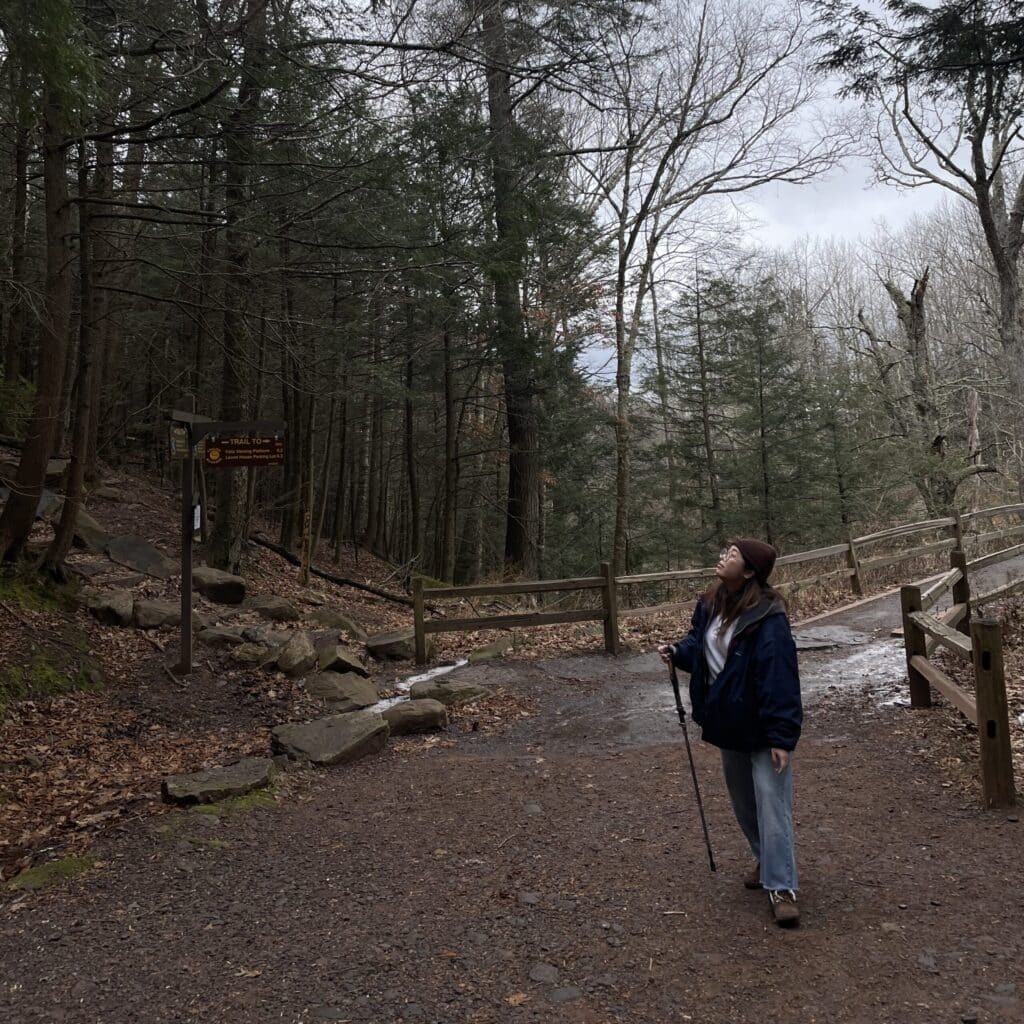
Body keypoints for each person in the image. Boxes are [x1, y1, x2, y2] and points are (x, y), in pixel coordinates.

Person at [658, 538, 803, 927]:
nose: (723, 557)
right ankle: (765, 859)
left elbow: (780, 678)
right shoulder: (711, 603)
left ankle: (782, 886)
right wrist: (678, 651)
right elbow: (701, 647)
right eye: (724, 551)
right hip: (728, 724)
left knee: (772, 806)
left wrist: (781, 736)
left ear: (751, 571)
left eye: (733, 555)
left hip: (761, 727)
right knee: (744, 804)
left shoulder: (769, 617)